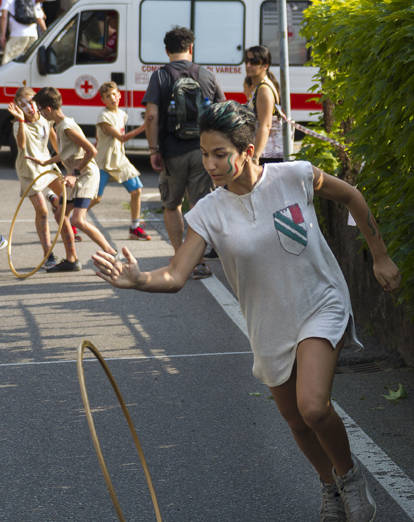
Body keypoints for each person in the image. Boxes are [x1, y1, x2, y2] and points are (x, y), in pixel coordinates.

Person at [92, 101, 401, 522]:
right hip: (267, 321)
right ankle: (329, 486)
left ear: (247, 152)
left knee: (313, 406)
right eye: (205, 153)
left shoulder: (294, 175)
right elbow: (177, 274)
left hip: (319, 302)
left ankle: (349, 478)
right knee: (294, 420)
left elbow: (351, 195)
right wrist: (138, 279)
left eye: (220, 154)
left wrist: (379, 256)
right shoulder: (207, 211)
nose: (211, 164)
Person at [142, 25, 225, 279]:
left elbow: (151, 114)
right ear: (191, 48)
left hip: (172, 151)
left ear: (167, 50)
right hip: (203, 152)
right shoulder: (206, 75)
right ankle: (198, 262)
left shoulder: (160, 76)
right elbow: (222, 111)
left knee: (172, 204)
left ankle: (181, 257)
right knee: (200, 206)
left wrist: (154, 148)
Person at [27, 86, 116, 272]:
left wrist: (74, 173)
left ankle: (112, 253)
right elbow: (67, 152)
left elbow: (91, 150)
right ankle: (71, 260)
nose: (41, 114)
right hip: (75, 175)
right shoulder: (59, 125)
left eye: (41, 110)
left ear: (48, 109)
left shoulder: (66, 127)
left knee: (78, 220)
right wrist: (46, 162)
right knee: (60, 215)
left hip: (86, 176)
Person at [7, 86, 67, 269]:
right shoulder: (19, 124)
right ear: (18, 106)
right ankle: (48, 253)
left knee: (65, 201)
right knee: (42, 211)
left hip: (47, 165)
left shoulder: (43, 118)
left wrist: (63, 157)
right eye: (23, 104)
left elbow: (53, 138)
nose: (30, 107)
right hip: (29, 170)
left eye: (32, 102)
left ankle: (70, 247)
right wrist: (20, 121)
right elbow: (22, 145)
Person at [89, 81, 150, 240]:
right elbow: (121, 137)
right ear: (103, 100)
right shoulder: (103, 117)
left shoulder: (122, 114)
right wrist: (144, 126)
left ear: (119, 95)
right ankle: (71, 219)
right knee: (96, 198)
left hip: (119, 159)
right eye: (108, 96)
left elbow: (99, 138)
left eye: (114, 94)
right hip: (104, 161)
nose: (112, 98)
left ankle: (134, 228)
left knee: (136, 190)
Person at [245, 45, 284, 164]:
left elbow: (265, 125)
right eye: (247, 61)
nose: (248, 65)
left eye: (254, 62)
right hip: (268, 153)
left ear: (265, 66)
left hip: (267, 155)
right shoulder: (261, 86)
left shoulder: (264, 90)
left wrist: (255, 157)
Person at [0, 0, 45, 65]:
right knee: (28, 64)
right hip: (33, 35)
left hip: (18, 35)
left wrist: (2, 35)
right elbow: (39, 18)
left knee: (7, 65)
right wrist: (46, 32)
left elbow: (4, 17)